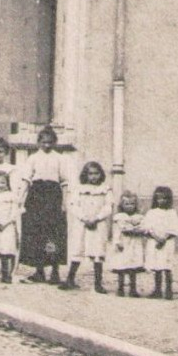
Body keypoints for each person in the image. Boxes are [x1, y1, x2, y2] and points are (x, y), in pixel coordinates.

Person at [18, 126, 70, 285]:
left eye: (50, 142)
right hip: (36, 196)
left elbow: (65, 182)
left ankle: (55, 271)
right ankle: (39, 270)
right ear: (39, 142)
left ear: (54, 142)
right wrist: (20, 199)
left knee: (53, 233)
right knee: (36, 233)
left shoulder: (60, 158)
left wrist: (65, 203)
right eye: (44, 142)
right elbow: (26, 180)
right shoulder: (33, 158)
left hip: (53, 196)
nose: (47, 145)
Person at [62, 161, 113, 292]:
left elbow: (108, 206)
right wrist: (84, 218)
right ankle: (70, 279)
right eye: (90, 174)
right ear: (85, 175)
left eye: (96, 173)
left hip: (98, 224)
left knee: (98, 251)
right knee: (78, 249)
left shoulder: (106, 189)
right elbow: (73, 205)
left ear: (101, 174)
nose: (93, 177)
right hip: (82, 224)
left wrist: (97, 218)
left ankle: (98, 283)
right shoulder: (79, 189)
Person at [142, 186, 178, 301]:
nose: (161, 201)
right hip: (154, 243)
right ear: (155, 199)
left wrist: (164, 238)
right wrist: (156, 237)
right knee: (157, 267)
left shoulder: (172, 213)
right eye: (159, 198)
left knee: (167, 267)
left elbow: (174, 227)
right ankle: (157, 290)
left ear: (169, 200)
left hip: (167, 243)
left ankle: (169, 290)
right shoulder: (151, 212)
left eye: (164, 198)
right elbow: (146, 227)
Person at [109, 191, 146, 297]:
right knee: (121, 266)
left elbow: (143, 227)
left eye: (132, 204)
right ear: (122, 205)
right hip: (123, 244)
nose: (129, 206)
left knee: (133, 267)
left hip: (135, 244)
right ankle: (120, 288)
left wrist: (138, 230)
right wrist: (117, 242)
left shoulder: (139, 217)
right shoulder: (119, 217)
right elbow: (118, 231)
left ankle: (133, 289)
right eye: (127, 204)